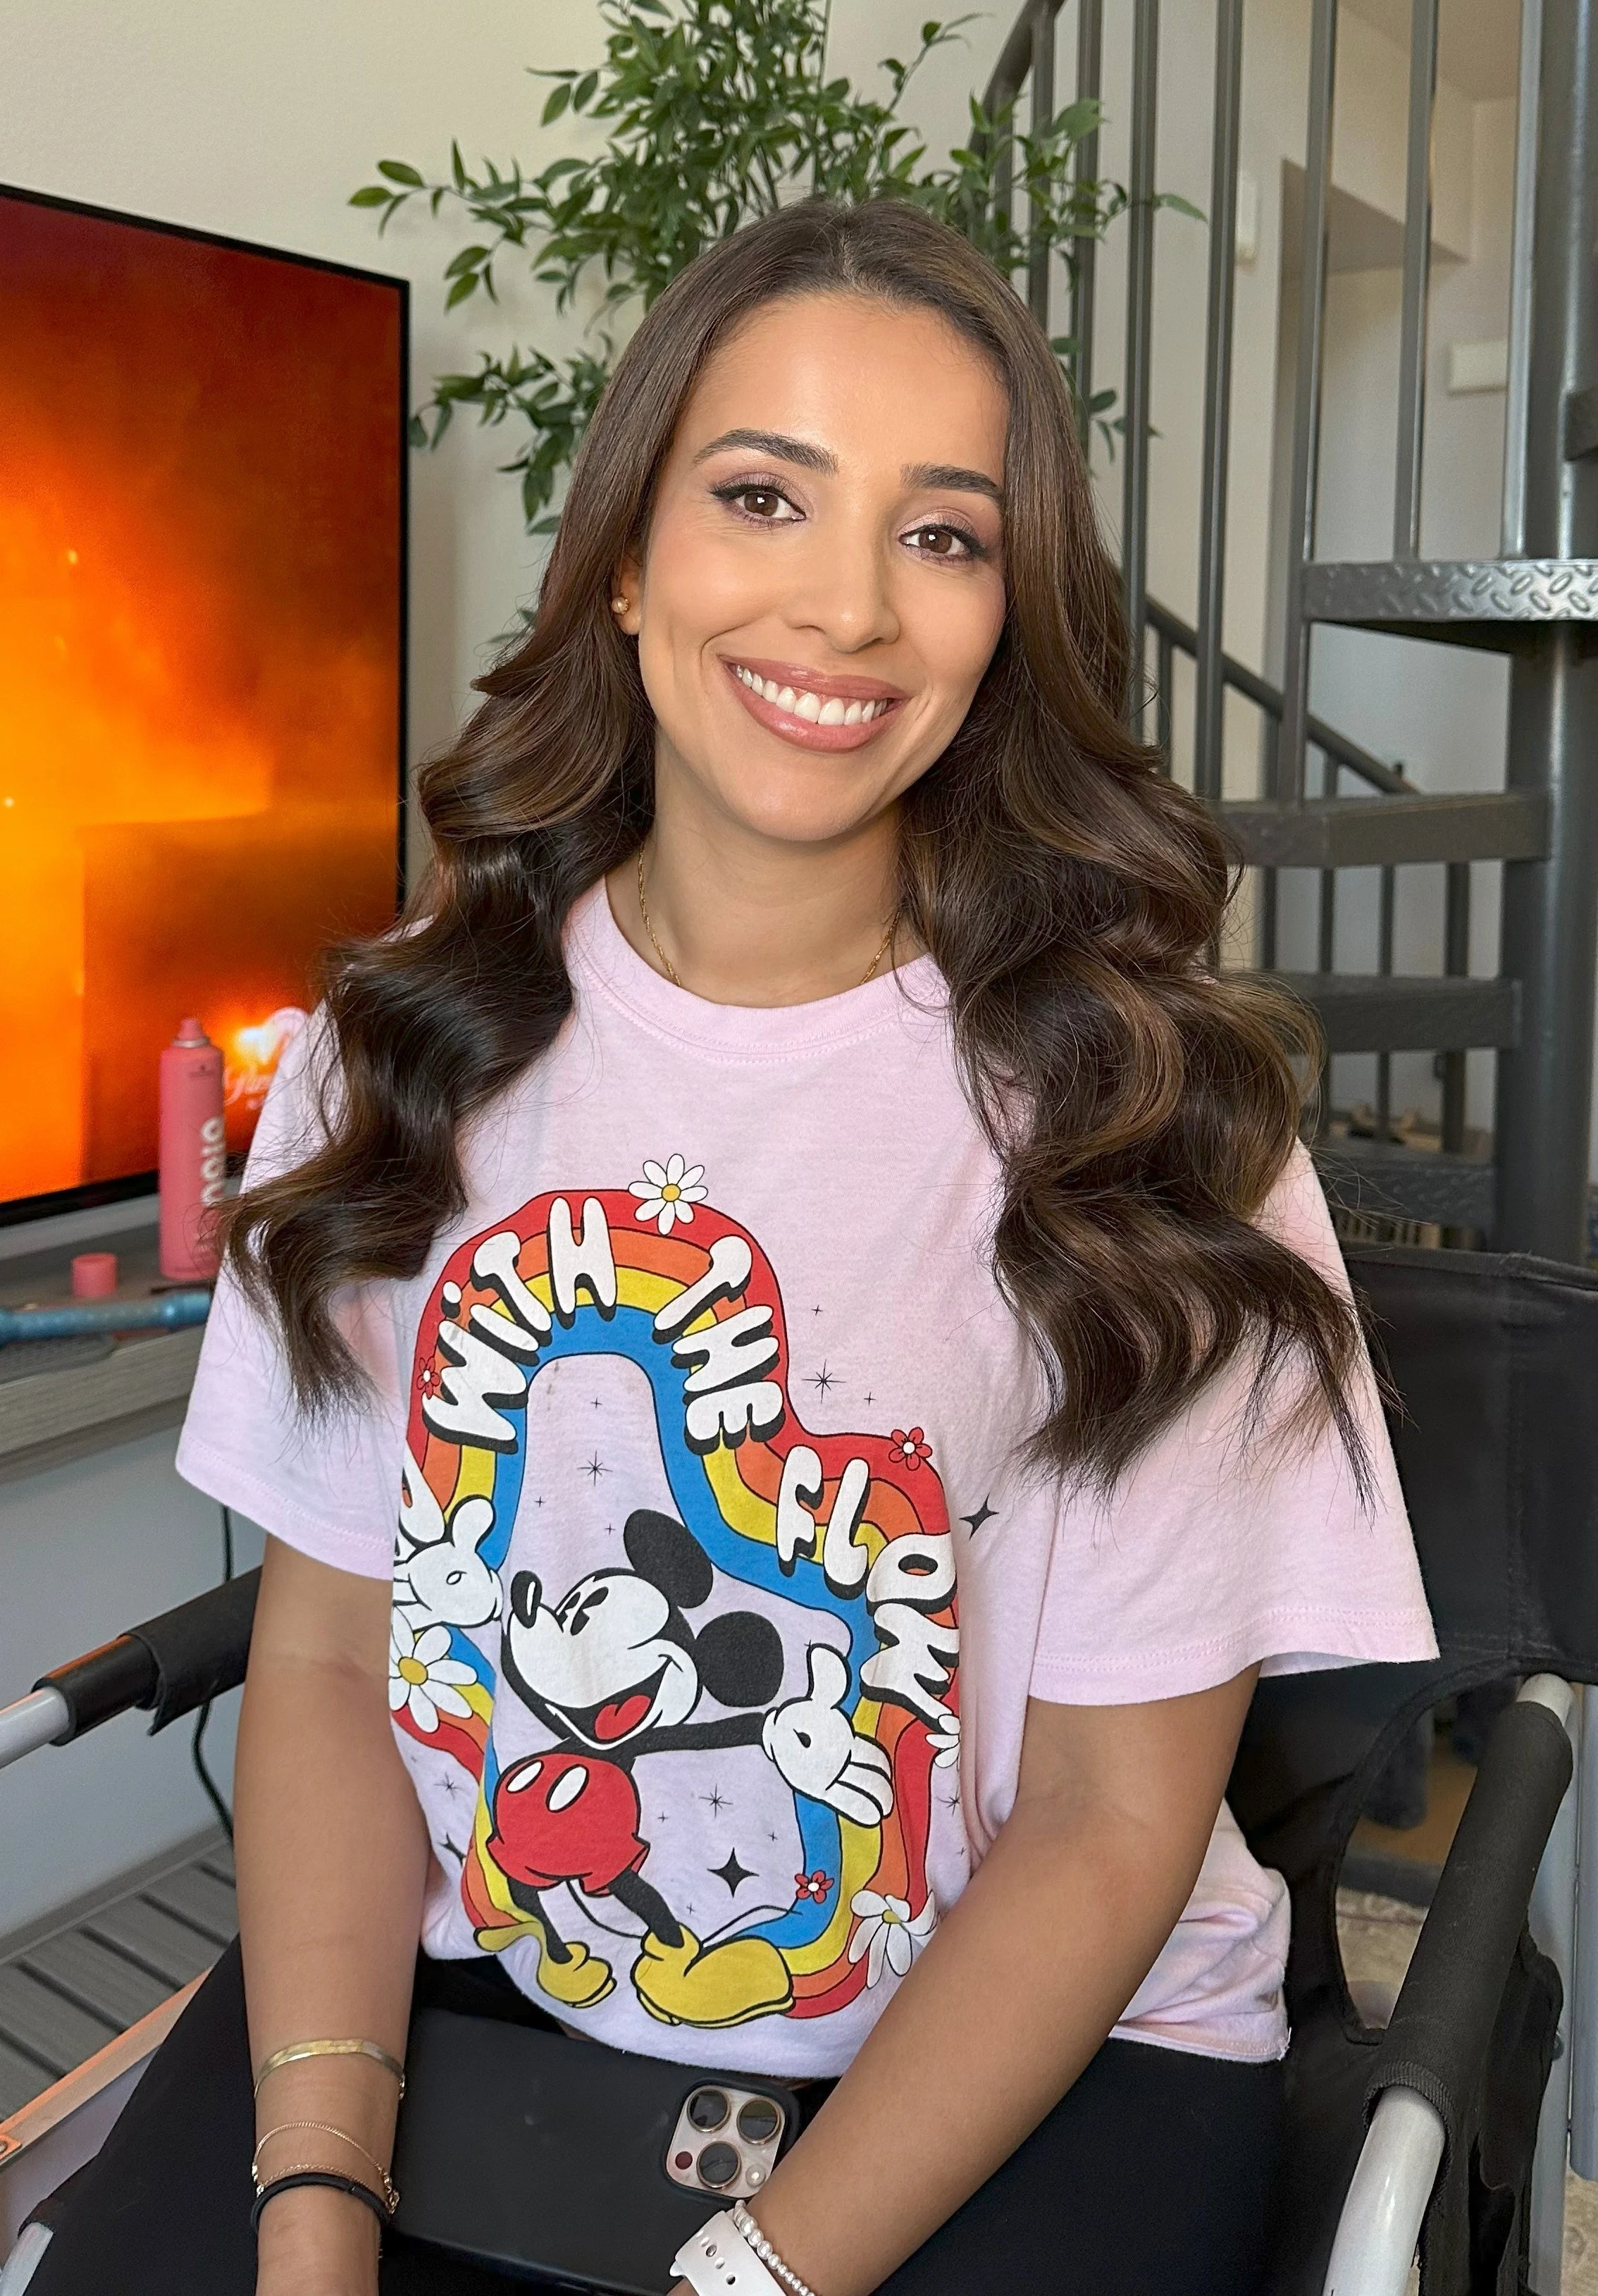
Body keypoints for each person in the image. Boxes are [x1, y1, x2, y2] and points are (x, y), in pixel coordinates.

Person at [31, 197, 1434, 2296]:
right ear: (622, 559)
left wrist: (759, 2273)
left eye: (941, 535)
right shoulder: (391, 1060)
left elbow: (1105, 1831)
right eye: (762, 494)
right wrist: (313, 2190)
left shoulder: (1154, 1133)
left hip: (1058, 2059)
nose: (844, 607)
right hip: (493, 2004)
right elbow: (322, 1660)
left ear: (1007, 614)